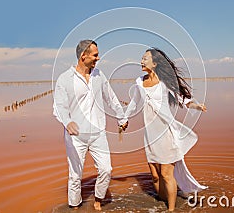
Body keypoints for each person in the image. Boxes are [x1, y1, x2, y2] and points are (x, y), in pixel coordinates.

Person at [125, 48, 207, 211]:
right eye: (142, 58)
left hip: (166, 133)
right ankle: (169, 197)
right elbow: (134, 103)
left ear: (155, 64)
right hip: (150, 135)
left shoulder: (165, 83)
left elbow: (183, 100)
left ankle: (170, 209)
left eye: (145, 58)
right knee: (155, 176)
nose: (141, 61)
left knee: (166, 174)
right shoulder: (139, 82)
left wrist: (197, 106)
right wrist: (124, 118)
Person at [53, 40, 128, 210]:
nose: (98, 58)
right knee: (75, 176)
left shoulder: (99, 75)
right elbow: (59, 107)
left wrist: (121, 118)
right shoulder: (65, 79)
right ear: (83, 56)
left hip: (98, 133)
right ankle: (75, 206)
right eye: (95, 55)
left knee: (106, 169)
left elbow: (111, 98)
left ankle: (98, 200)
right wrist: (67, 122)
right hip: (75, 136)